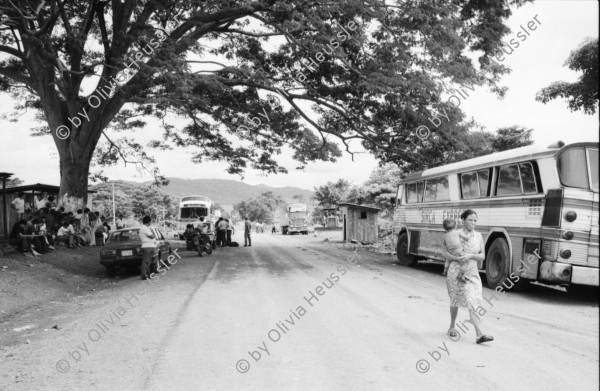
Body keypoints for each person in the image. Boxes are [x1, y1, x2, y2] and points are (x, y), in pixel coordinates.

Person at [443, 209, 493, 345]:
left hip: (472, 272)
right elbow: (445, 253)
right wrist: (457, 258)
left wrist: (470, 255)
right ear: (463, 220)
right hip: (456, 271)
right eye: (470, 220)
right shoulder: (454, 234)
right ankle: (452, 326)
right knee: (455, 300)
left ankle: (479, 334)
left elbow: (482, 256)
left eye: (475, 220)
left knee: (473, 301)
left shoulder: (478, 235)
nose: (473, 223)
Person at [139, 215, 156, 280]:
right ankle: (144, 275)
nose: (150, 223)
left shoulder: (145, 228)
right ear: (148, 222)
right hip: (147, 247)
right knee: (146, 261)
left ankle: (147, 274)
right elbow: (152, 236)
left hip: (149, 247)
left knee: (148, 261)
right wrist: (153, 235)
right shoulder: (144, 228)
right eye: (150, 221)